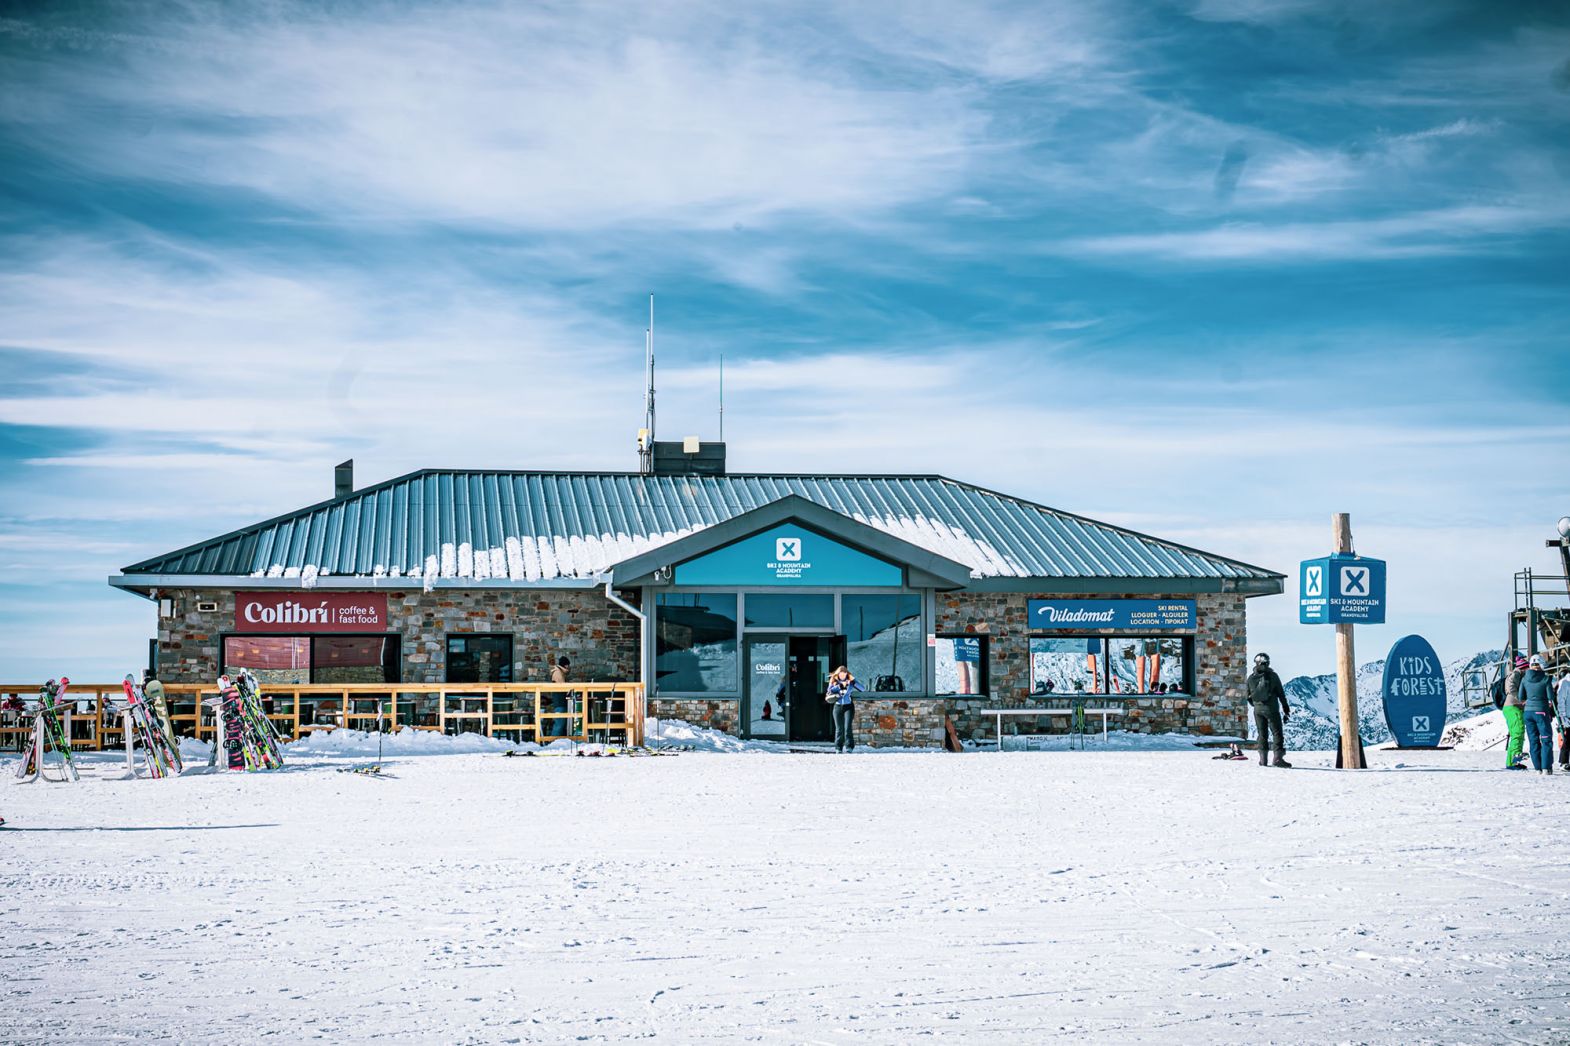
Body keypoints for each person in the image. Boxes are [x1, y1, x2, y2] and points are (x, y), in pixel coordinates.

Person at [1245, 652, 1291, 768]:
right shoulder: (1273, 676)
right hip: (1271, 709)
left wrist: (1257, 705)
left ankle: (1263, 760)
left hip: (1257, 710)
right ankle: (1277, 759)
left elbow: (1248, 696)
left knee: (1262, 734)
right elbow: (1281, 694)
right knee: (1277, 733)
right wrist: (1286, 708)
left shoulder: (1251, 678)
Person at [1518, 655, 1557, 775]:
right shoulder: (1545, 679)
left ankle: (1538, 768)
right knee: (1546, 739)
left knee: (1533, 740)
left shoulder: (1524, 679)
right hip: (1541, 711)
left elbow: (1520, 697)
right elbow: (1551, 697)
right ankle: (1546, 767)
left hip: (1528, 712)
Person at [825, 666, 864, 754]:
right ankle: (838, 747)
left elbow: (862, 689)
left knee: (847, 727)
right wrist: (840, 686)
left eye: (844, 674)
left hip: (848, 707)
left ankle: (849, 747)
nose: (842, 676)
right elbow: (829, 691)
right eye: (840, 674)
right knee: (839, 729)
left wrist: (853, 681)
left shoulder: (850, 682)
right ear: (838, 674)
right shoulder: (834, 681)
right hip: (838, 707)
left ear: (847, 674)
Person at [1503, 654, 1527, 770]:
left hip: (1511, 707)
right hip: (1513, 706)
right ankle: (1515, 758)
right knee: (1518, 732)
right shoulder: (1517, 673)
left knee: (1516, 734)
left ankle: (1511, 762)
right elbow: (1511, 688)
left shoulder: (1518, 674)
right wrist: (1521, 699)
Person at [547, 656, 571, 738]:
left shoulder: (559, 672)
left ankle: (555, 741)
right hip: (560, 701)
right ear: (565, 665)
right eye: (567, 665)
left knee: (560, 723)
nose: (568, 667)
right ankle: (553, 741)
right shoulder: (558, 673)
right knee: (559, 723)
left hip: (560, 701)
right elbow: (562, 687)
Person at [1557, 669, 1570, 772]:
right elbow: (1561, 700)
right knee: (1567, 740)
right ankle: (1563, 762)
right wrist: (1563, 717)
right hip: (1568, 716)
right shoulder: (1565, 683)